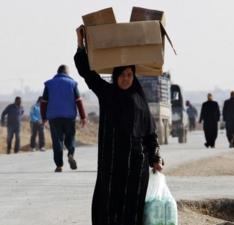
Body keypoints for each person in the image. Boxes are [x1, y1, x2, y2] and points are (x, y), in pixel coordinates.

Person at [75, 25, 163, 225]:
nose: (126, 79)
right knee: (108, 210)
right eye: (122, 75)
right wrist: (81, 44)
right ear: (116, 76)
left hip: (136, 168)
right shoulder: (108, 94)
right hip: (112, 168)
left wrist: (156, 158)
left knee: (132, 212)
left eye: (130, 75)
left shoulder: (140, 101)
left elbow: (150, 134)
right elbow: (87, 73)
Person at [41, 64, 87, 172]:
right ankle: (70, 153)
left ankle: (59, 165)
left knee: (57, 141)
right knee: (70, 137)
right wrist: (83, 117)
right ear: (66, 73)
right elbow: (79, 101)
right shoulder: (73, 83)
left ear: (58, 72)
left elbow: (44, 102)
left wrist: (43, 117)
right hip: (69, 117)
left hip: (54, 117)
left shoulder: (49, 84)